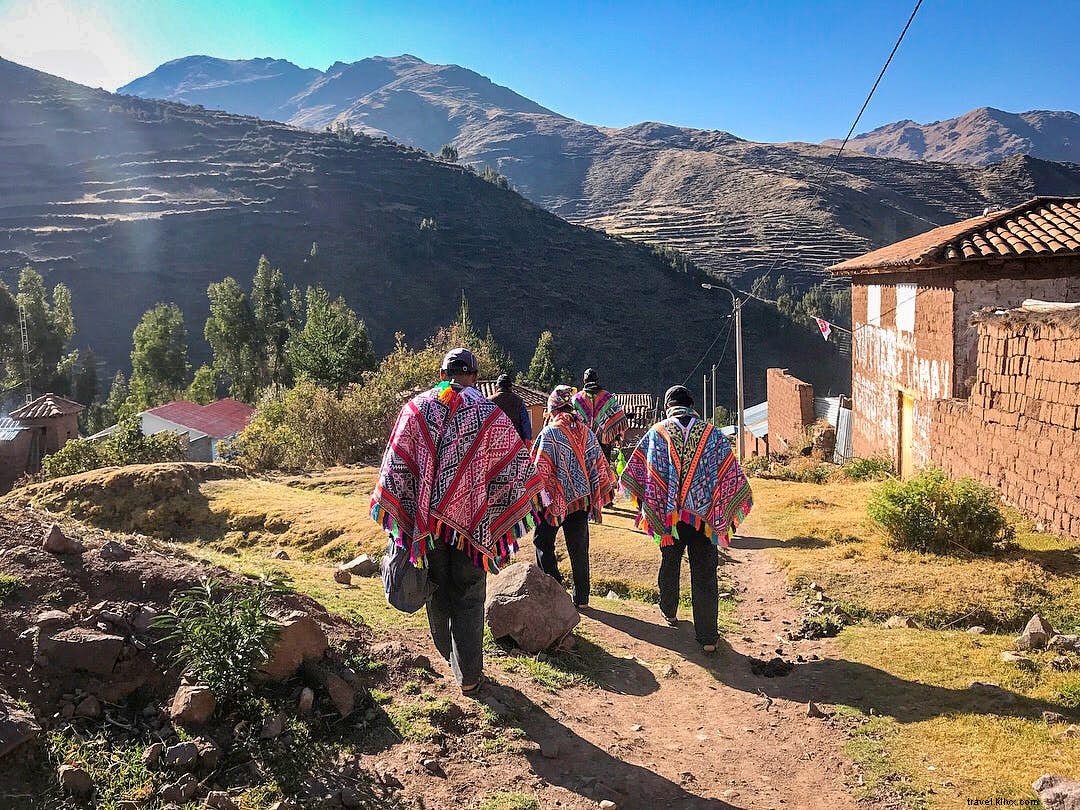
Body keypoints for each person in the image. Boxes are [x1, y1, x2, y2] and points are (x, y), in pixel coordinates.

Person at [371, 348, 543, 693]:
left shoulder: (415, 410)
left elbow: (395, 469)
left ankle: (451, 658)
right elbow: (518, 471)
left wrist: (407, 511)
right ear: (475, 377)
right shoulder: (489, 416)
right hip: (473, 528)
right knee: (468, 594)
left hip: (427, 529)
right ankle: (470, 675)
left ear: (441, 372)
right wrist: (494, 503)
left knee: (435, 589)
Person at [619, 385, 752, 653]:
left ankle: (669, 611)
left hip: (670, 519)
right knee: (704, 573)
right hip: (704, 518)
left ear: (669, 407)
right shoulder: (712, 434)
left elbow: (638, 472)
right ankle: (708, 638)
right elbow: (731, 475)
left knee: (670, 562)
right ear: (691, 406)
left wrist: (655, 502)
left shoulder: (657, 432)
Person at [531, 385, 615, 607]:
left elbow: (539, 469)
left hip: (555, 501)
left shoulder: (549, 433)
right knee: (578, 548)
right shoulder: (586, 431)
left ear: (553, 409)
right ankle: (582, 598)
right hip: (582, 500)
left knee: (542, 540)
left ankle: (553, 587)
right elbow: (599, 465)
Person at [572, 368, 628, 461]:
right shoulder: (607, 398)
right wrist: (617, 436)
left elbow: (570, 420)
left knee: (584, 472)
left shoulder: (576, 399)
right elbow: (618, 418)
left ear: (584, 381)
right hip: (603, 445)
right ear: (597, 380)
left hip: (583, 445)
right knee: (603, 472)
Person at [489, 373, 532, 443]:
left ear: (497, 387)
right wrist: (527, 441)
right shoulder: (519, 401)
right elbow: (526, 425)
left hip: (495, 445)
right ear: (511, 387)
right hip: (516, 444)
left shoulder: (489, 401)